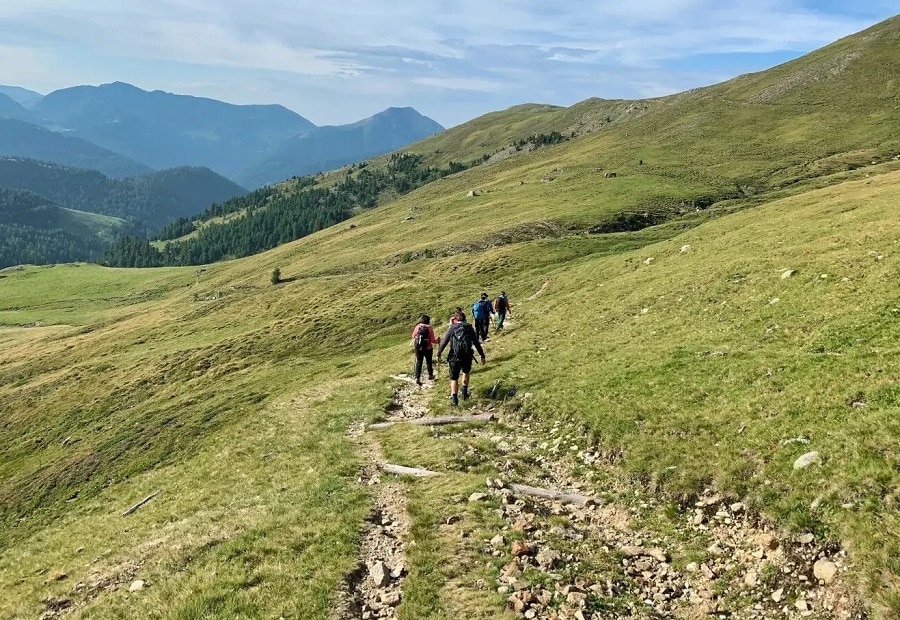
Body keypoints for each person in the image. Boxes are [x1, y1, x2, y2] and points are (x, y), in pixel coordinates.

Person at [437, 310, 485, 407]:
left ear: (456, 319)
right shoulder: (469, 327)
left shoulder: (452, 328)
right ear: (464, 318)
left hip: (454, 356)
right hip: (467, 355)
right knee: (466, 372)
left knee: (454, 378)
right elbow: (476, 342)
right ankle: (464, 391)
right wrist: (482, 355)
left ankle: (454, 400)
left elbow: (444, 342)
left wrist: (439, 353)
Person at [411, 315, 438, 386]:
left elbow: (413, 336)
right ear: (428, 321)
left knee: (419, 362)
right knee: (429, 361)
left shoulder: (417, 327)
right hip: (428, 348)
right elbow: (432, 340)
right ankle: (430, 375)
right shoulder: (429, 328)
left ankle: (417, 378)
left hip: (418, 347)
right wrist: (437, 341)